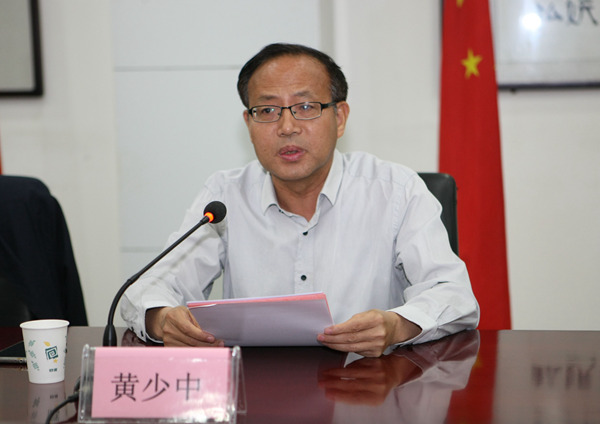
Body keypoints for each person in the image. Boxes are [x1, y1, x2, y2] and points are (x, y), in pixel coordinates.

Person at [121, 43, 479, 357]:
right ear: (249, 124)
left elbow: (453, 294)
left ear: (339, 117)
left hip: (368, 387)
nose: (287, 127)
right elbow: (147, 289)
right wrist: (163, 319)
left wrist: (396, 325)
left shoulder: (396, 190)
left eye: (306, 107)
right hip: (256, 390)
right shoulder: (224, 196)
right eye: (267, 111)